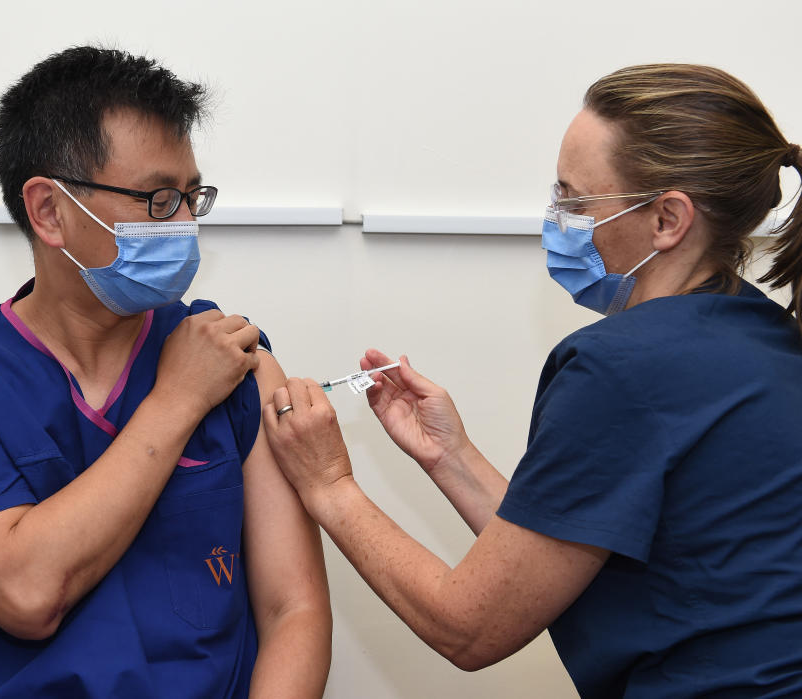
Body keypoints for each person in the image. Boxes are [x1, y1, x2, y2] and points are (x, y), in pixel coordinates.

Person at [263, 64, 802, 697]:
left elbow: (470, 628)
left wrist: (329, 484)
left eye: (574, 201)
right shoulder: (761, 331)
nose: (555, 220)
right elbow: (556, 554)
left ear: (667, 219)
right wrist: (451, 457)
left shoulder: (622, 366)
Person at [0, 46, 331, 698]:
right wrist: (176, 399)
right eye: (157, 198)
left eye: (191, 196)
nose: (183, 223)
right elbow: (28, 593)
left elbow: (296, 610)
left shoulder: (235, 356)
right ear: (49, 211)